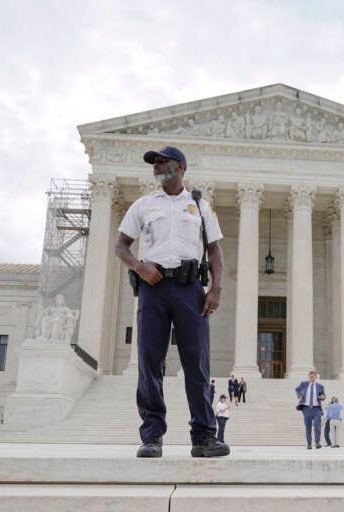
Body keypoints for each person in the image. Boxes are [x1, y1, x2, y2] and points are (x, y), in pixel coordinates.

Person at [115, 145, 228, 459]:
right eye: (154, 162)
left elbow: (215, 251)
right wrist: (139, 267)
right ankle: (151, 436)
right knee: (150, 362)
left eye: (162, 161)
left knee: (197, 364)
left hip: (190, 287)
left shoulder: (200, 206)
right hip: (153, 286)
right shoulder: (143, 205)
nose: (156, 166)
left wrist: (216, 289)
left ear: (180, 167)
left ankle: (204, 436)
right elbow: (121, 246)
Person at [295, 370, 326, 449]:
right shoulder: (304, 384)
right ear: (309, 377)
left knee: (317, 425)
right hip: (306, 408)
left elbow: (323, 395)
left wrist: (322, 397)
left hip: (316, 409)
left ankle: (317, 442)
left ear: (316, 377)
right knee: (308, 427)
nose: (312, 378)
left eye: (313, 377)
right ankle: (309, 443)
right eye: (310, 376)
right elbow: (297, 389)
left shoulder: (320, 386)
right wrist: (299, 396)